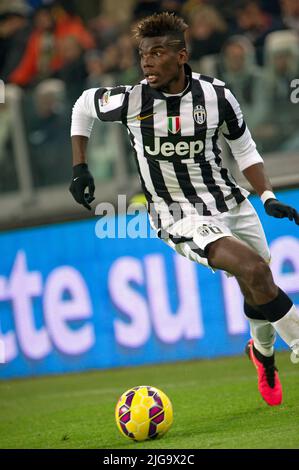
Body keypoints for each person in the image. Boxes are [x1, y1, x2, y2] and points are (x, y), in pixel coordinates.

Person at [69, 12, 299, 407]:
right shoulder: (131, 100)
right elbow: (82, 106)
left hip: (230, 200)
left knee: (259, 282)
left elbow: (243, 148)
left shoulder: (217, 95)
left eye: (158, 53)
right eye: (143, 54)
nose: (147, 62)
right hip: (178, 214)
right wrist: (80, 167)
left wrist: (266, 196)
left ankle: (262, 354)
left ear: (182, 56)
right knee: (254, 269)